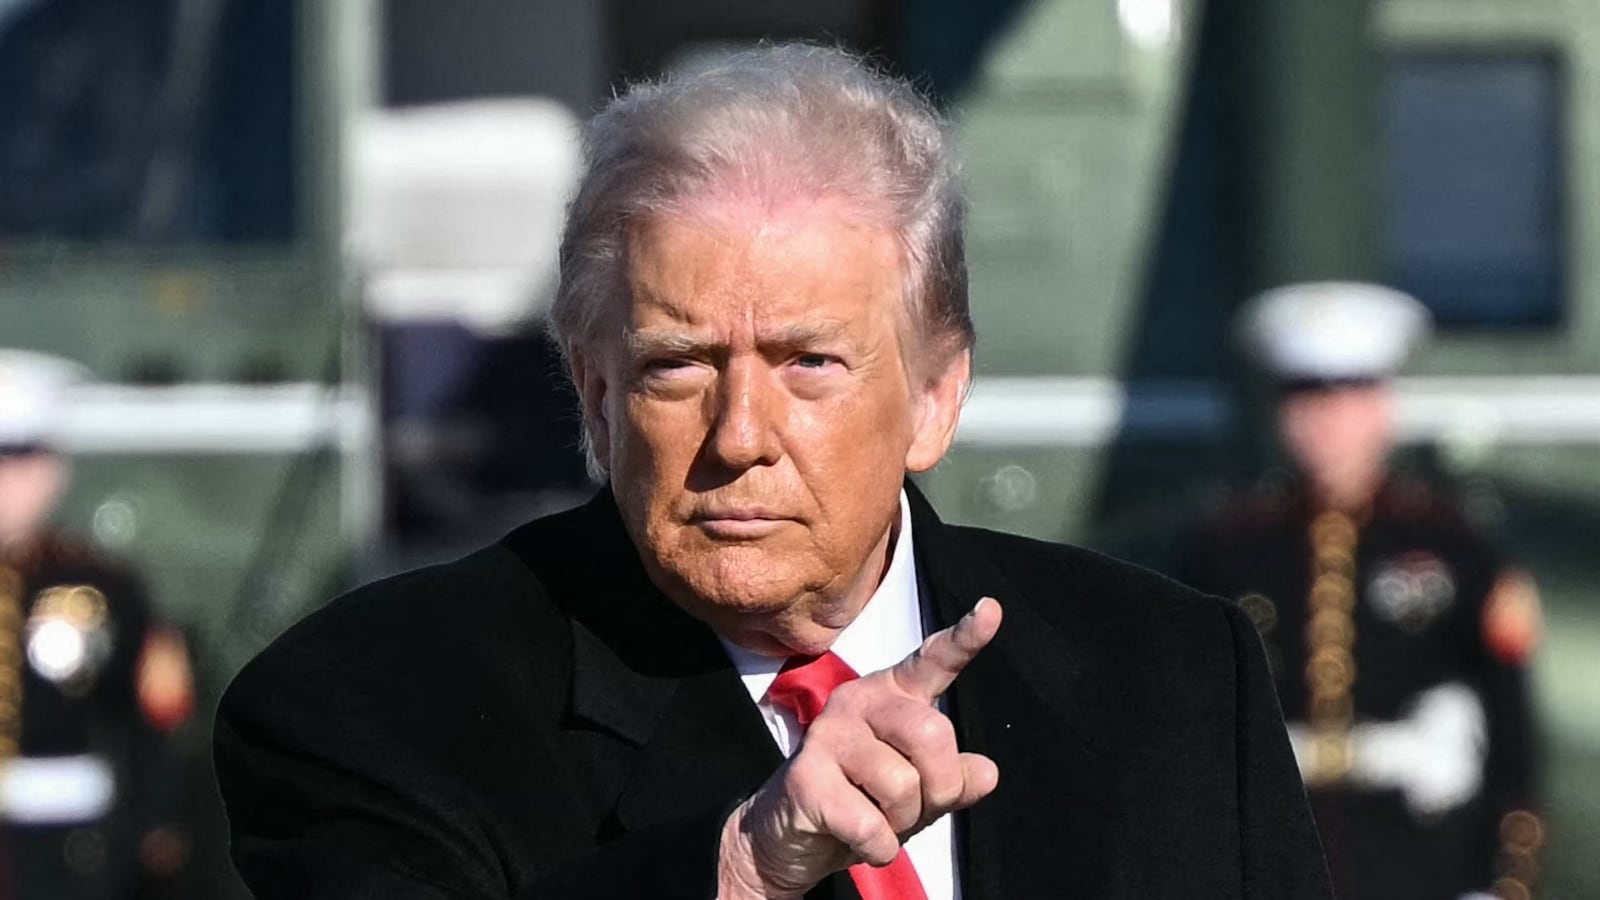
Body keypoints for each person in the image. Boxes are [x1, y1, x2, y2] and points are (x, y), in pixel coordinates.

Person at [214, 45, 1331, 899]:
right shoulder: (369, 704)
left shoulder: (1174, 679)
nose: (739, 432)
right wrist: (743, 866)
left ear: (935, 396)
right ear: (595, 397)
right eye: (677, 366)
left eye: (808, 363)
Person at [1178, 283, 1543, 900]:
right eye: (1306, 398)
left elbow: (1511, 730)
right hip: (1274, 860)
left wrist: (1504, 880)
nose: (1328, 421)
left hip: (1423, 860)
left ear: (1383, 408)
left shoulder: (1452, 544)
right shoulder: (1225, 549)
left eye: (1349, 396)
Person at [0, 350, 196, 898]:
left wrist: (154, 828)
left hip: (71, 852)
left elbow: (150, 716)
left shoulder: (100, 585)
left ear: (50, 471)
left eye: (17, 459)